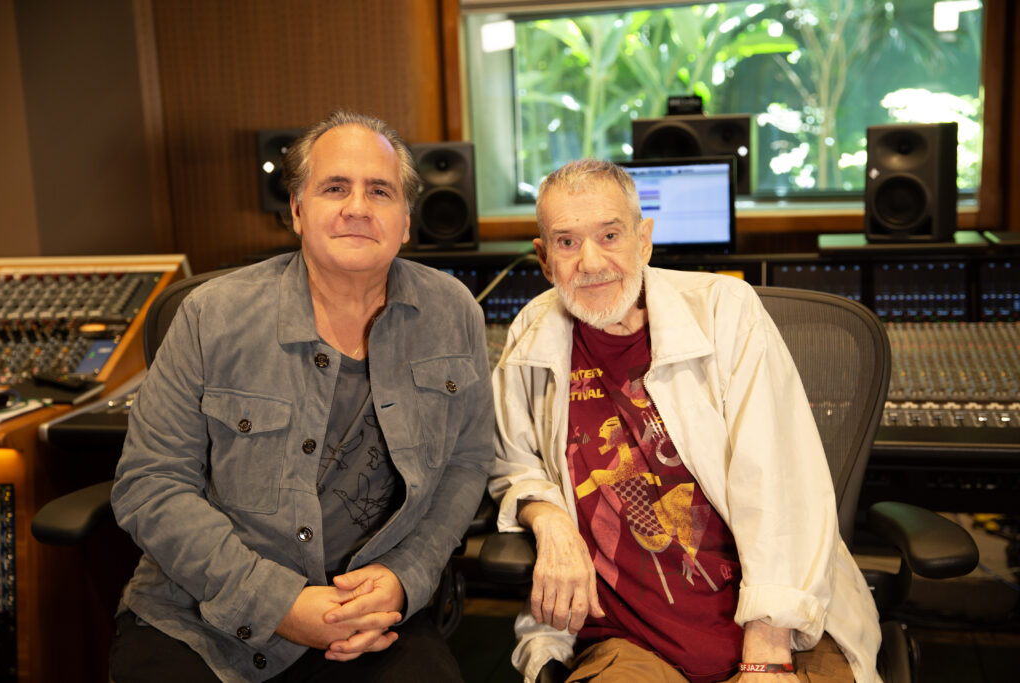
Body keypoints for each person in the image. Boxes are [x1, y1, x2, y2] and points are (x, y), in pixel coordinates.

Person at [110, 110, 494, 682]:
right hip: (201, 620)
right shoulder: (212, 316)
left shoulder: (453, 311)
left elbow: (467, 463)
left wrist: (405, 575)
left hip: (369, 612)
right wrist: (279, 604)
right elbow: (150, 483)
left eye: (380, 191)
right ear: (296, 210)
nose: (357, 207)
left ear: (406, 221)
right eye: (335, 188)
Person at [488, 159, 881, 683]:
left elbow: (782, 485)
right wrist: (549, 518)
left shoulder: (724, 311)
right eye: (566, 242)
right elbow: (512, 463)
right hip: (628, 640)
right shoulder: (533, 332)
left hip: (780, 625)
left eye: (610, 235)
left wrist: (766, 655)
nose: (591, 262)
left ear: (644, 240)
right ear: (543, 258)